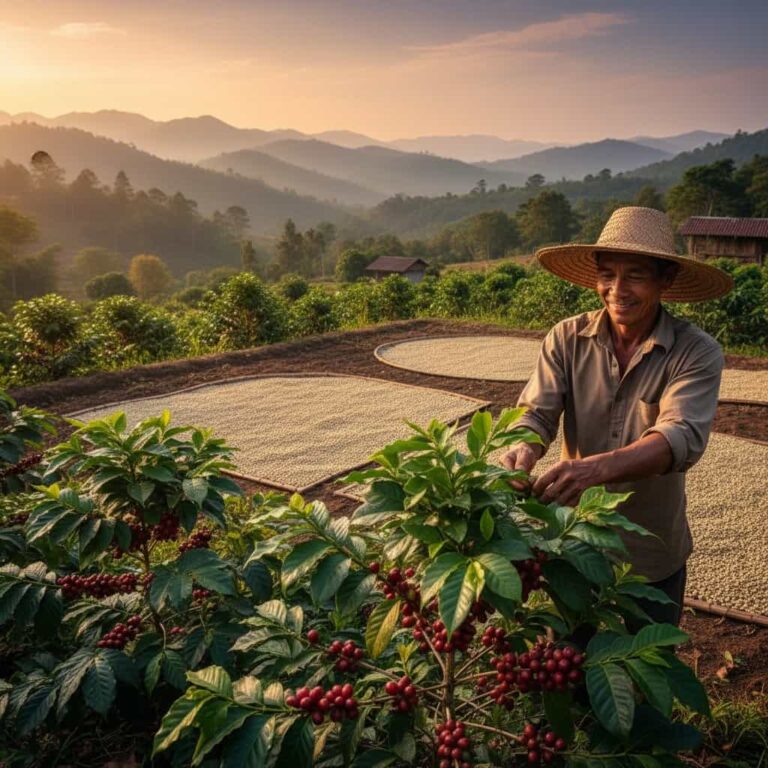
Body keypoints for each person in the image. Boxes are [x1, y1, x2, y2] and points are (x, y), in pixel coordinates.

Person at [502, 206, 734, 626]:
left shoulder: (695, 352)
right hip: (575, 546)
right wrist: (523, 448)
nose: (616, 289)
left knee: (645, 675)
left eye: (635, 276)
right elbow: (536, 412)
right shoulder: (567, 338)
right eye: (607, 274)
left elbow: (679, 437)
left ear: (666, 280)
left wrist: (593, 470)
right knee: (572, 671)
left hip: (650, 558)